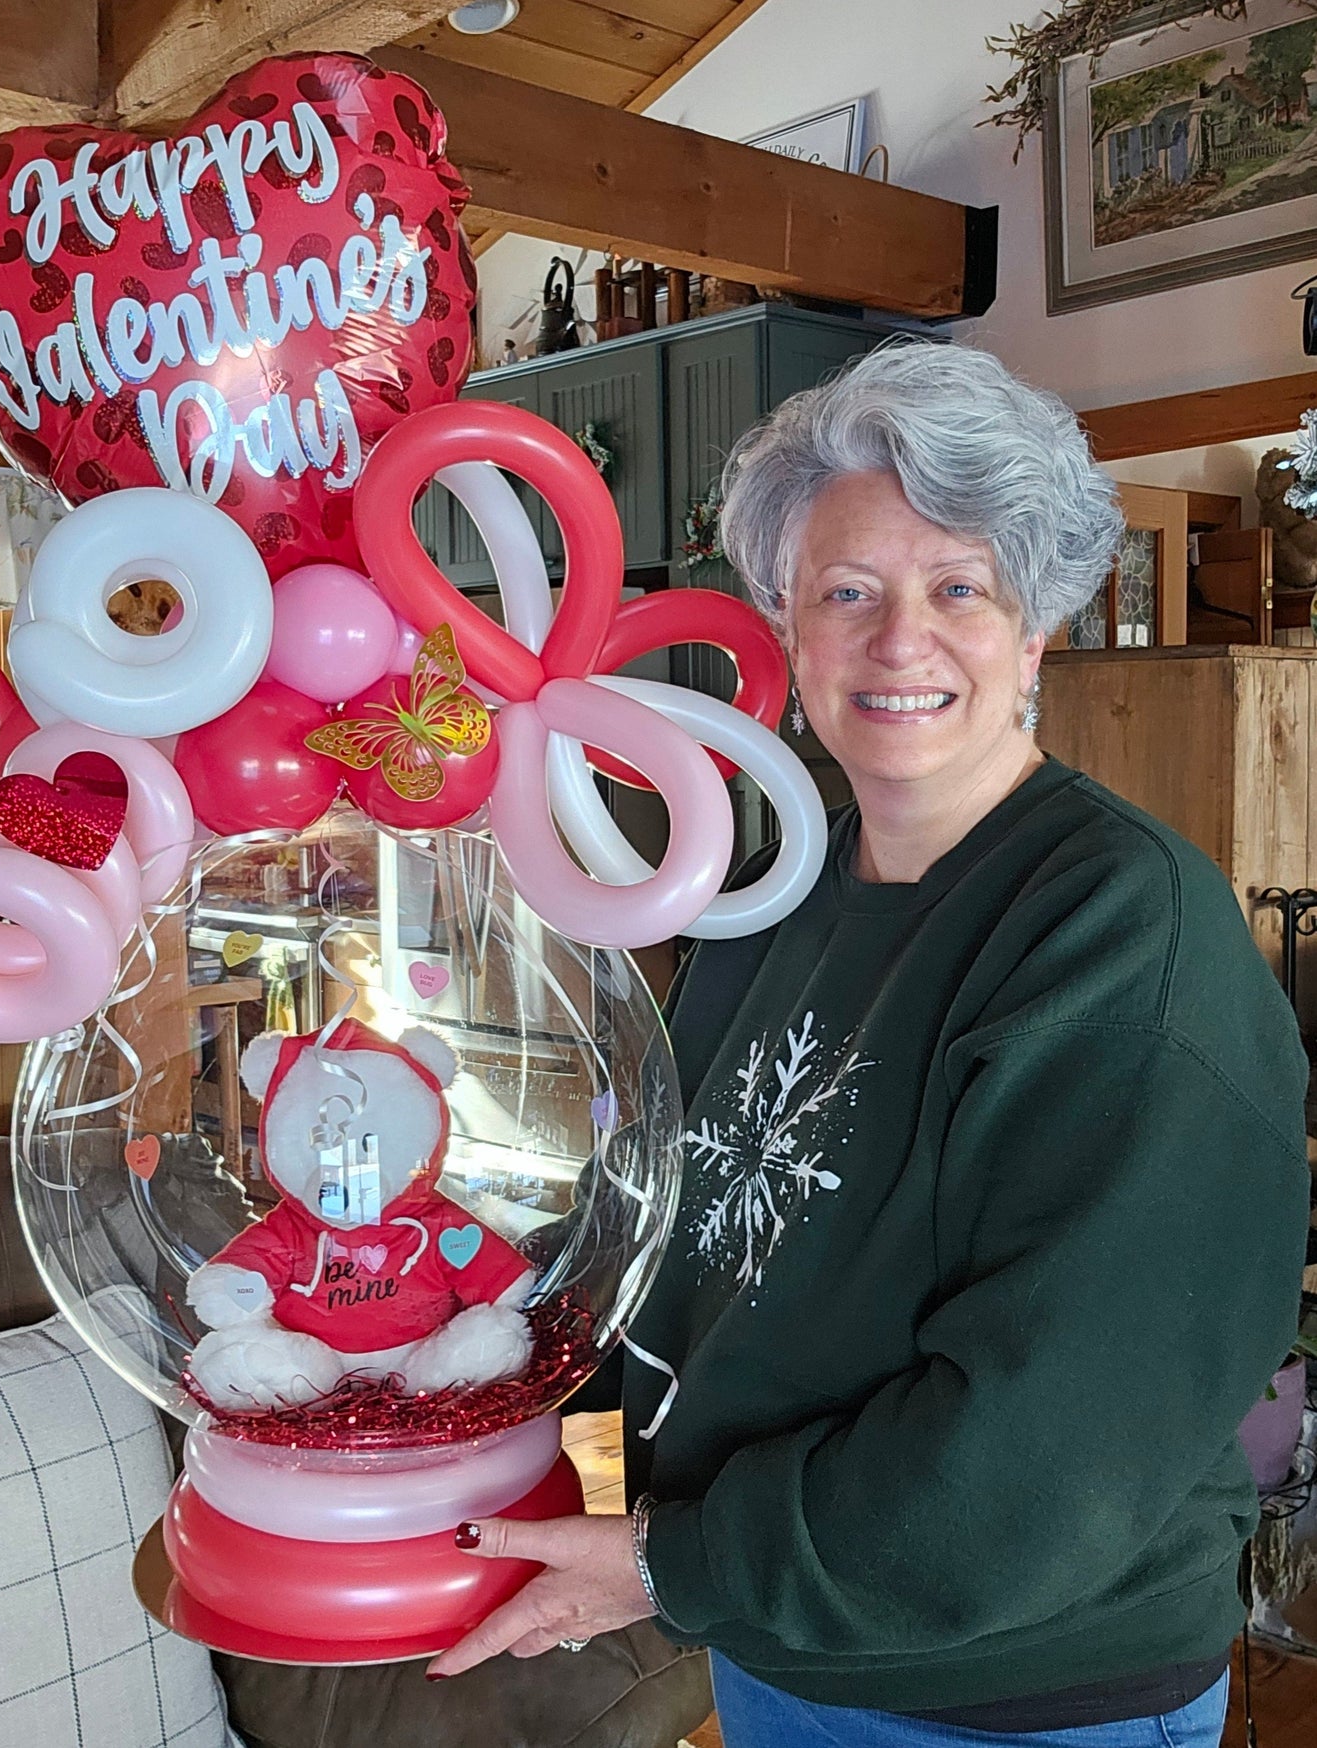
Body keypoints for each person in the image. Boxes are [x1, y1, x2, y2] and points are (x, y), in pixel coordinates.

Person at [425, 342, 1311, 1748]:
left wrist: (672, 1565)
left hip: (1015, 1690)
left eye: (957, 588)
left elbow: (1049, 1456)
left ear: (1034, 631)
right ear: (785, 628)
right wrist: (457, 1354)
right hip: (786, 1643)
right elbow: (691, 1231)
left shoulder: (1118, 935)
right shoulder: (780, 894)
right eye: (848, 592)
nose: (899, 642)